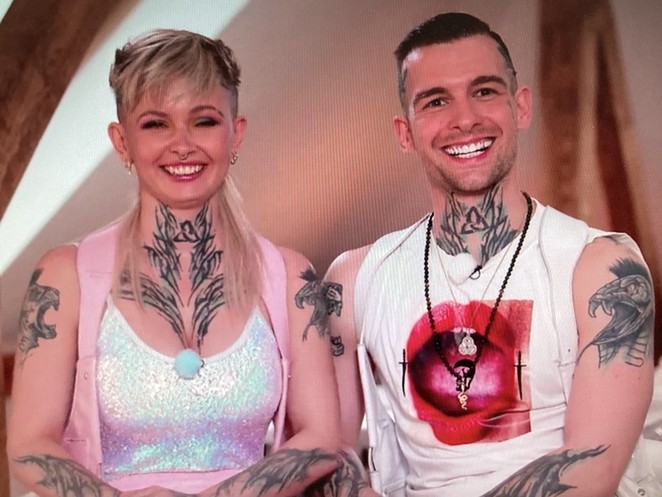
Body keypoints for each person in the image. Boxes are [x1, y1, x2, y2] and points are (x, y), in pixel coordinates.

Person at [7, 29, 365, 497]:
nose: (182, 144)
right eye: (156, 124)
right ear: (121, 142)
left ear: (235, 134)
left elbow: (321, 439)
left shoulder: (289, 277)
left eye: (203, 121)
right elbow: (30, 446)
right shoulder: (64, 275)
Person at [325, 12, 656, 497]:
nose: (464, 119)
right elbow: (327, 455)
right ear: (405, 133)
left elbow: (592, 471)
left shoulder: (600, 269)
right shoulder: (356, 280)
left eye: (483, 91)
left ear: (521, 107)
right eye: (436, 101)